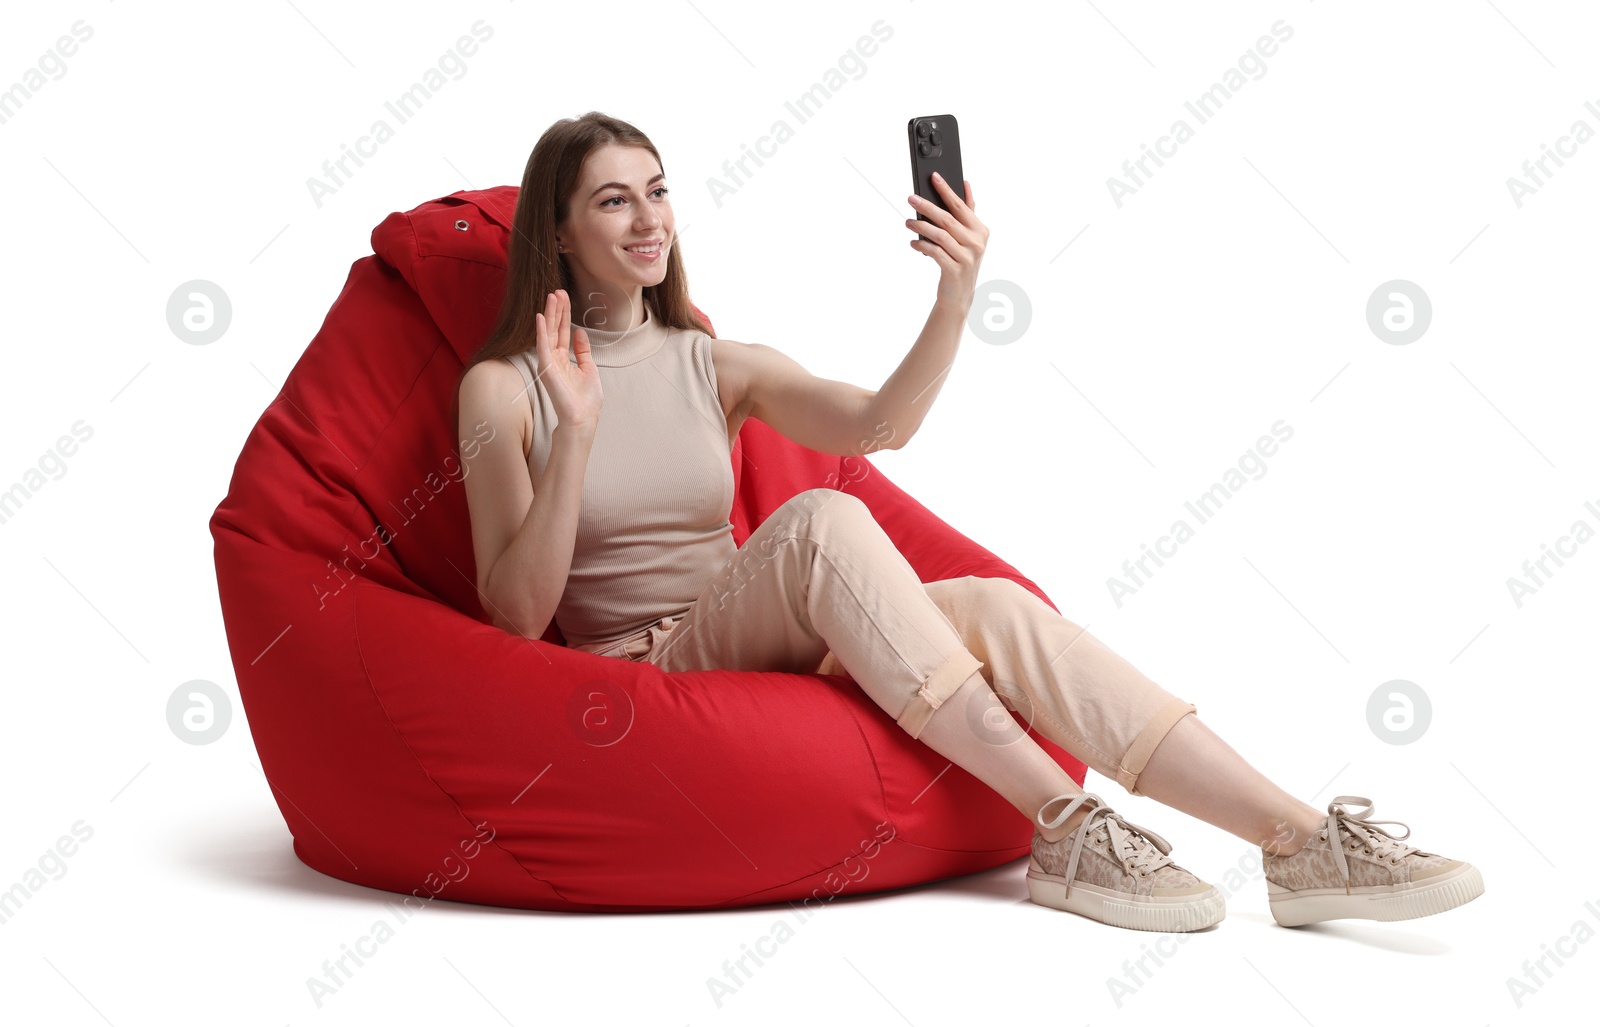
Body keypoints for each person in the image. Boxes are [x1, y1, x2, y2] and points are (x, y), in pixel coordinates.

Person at [455, 111, 1483, 933]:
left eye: (659, 190)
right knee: (818, 519)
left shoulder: (712, 362)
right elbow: (514, 613)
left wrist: (955, 294)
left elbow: (879, 426)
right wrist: (576, 432)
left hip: (762, 639)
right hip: (652, 665)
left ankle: (1300, 842)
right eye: (613, 200)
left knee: (992, 604)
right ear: (558, 229)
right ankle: (1064, 821)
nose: (649, 219)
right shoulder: (505, 389)